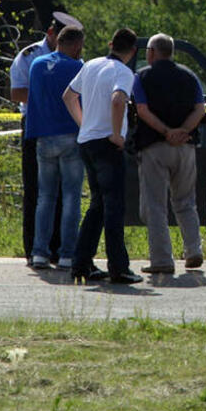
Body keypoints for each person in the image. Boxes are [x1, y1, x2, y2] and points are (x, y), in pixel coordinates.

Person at [62, 28, 143, 284]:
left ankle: (81, 264)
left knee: (97, 205)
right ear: (132, 51)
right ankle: (119, 267)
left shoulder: (91, 65)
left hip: (87, 141)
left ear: (110, 44)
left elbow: (68, 96)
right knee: (114, 206)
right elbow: (118, 100)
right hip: (107, 144)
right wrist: (117, 134)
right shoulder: (124, 72)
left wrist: (84, 124)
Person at [9, 10, 83, 265]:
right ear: (52, 33)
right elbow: (16, 92)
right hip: (38, 122)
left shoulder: (47, 62)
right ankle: (35, 248)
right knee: (36, 190)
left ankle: (52, 248)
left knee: (54, 194)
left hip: (51, 127)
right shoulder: (29, 56)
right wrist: (49, 100)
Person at [132, 33, 206, 275]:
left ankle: (162, 259)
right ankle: (193, 250)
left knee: (155, 206)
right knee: (186, 201)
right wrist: (183, 131)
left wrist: (166, 132)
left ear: (151, 52)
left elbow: (142, 110)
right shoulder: (190, 75)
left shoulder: (142, 76)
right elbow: (200, 109)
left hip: (154, 147)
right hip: (185, 147)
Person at [26, 26, 85, 270]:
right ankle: (67, 254)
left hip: (43, 136)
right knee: (71, 197)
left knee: (45, 197)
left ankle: (39, 252)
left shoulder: (36, 64)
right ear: (76, 45)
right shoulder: (78, 67)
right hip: (70, 135)